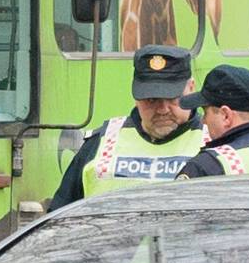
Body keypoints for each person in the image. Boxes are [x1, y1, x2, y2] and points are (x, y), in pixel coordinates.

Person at [50, 44, 204, 205]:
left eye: (172, 98)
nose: (162, 109)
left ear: (191, 88)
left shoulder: (212, 142)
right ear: (136, 97)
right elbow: (59, 215)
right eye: (151, 100)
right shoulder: (102, 142)